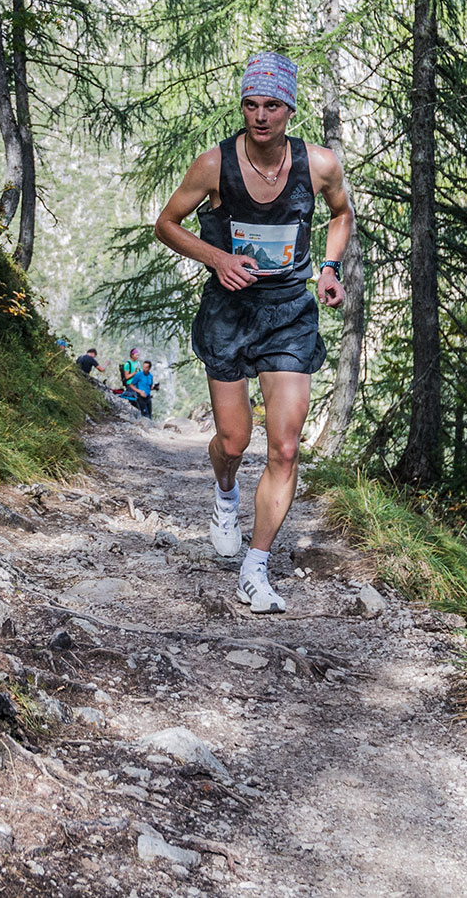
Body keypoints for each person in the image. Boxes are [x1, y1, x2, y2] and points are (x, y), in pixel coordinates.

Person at [153, 50, 352, 613]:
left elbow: (339, 213)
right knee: (236, 442)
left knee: (285, 447)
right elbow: (167, 223)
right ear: (242, 107)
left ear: (289, 109)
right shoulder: (214, 165)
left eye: (271, 105)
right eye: (250, 104)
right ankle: (224, 494)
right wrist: (216, 257)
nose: (260, 115)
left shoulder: (319, 165)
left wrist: (329, 268)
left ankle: (256, 566)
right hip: (230, 312)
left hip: (289, 311)